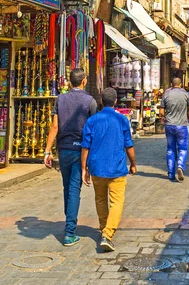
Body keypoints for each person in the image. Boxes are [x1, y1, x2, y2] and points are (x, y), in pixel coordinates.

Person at [43, 68, 97, 246]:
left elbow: (54, 127)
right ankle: (69, 232)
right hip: (80, 151)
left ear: (70, 82)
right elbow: (93, 130)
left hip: (63, 150)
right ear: (83, 81)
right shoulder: (90, 101)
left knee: (67, 187)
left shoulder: (61, 98)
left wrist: (47, 151)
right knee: (74, 189)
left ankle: (69, 222)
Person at [81, 87, 136, 252]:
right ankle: (108, 233)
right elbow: (129, 145)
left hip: (97, 167)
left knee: (100, 199)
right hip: (116, 168)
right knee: (117, 201)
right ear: (116, 102)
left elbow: (85, 147)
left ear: (101, 102)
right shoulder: (122, 120)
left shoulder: (92, 120)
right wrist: (133, 163)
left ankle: (104, 228)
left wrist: (84, 169)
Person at [160, 77, 189, 182]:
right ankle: (180, 166)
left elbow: (161, 112)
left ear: (171, 84)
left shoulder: (166, 94)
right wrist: (186, 114)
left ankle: (171, 174)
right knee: (182, 148)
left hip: (169, 125)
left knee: (170, 149)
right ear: (180, 85)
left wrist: (167, 116)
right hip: (182, 126)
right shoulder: (185, 94)